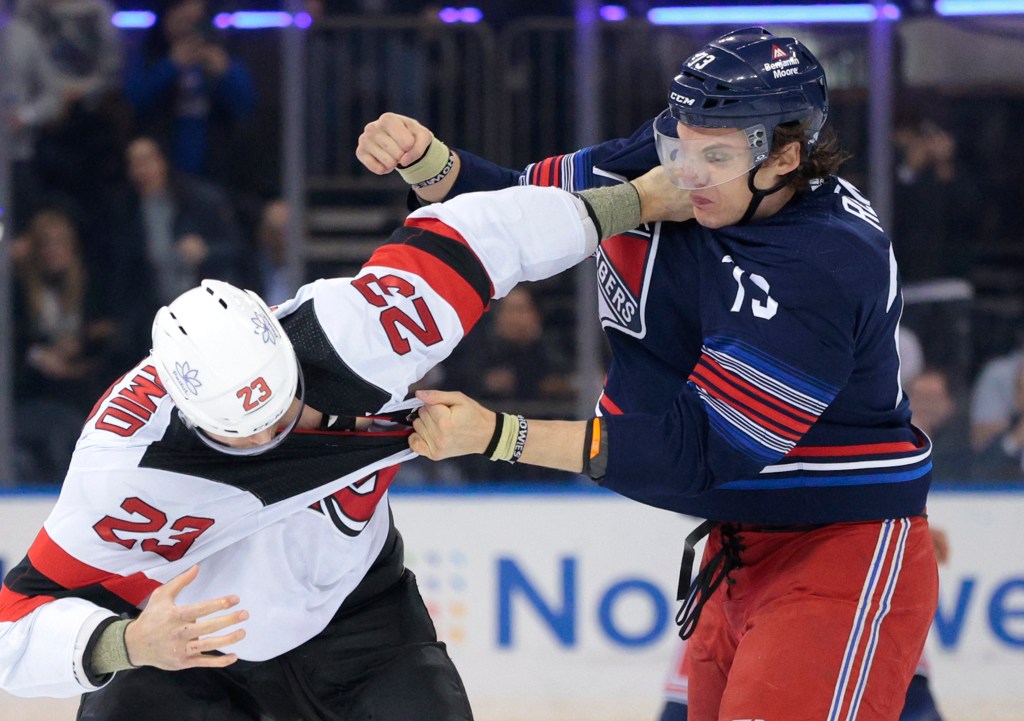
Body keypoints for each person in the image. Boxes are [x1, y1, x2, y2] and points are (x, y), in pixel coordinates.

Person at [359, 27, 938, 721]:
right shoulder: (679, 151)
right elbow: (521, 211)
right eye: (680, 143)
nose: (687, 170)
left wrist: (500, 435)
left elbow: (694, 452)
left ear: (787, 154)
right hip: (737, 547)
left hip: (837, 552)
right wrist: (428, 164)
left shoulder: (822, 262)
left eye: (715, 154)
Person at [0, 176, 685, 718]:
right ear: (190, 414)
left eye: (284, 407)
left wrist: (644, 196)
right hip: (189, 658)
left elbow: (486, 237)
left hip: (364, 628)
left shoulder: (357, 332)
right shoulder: (124, 471)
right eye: (249, 433)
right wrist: (124, 642)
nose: (275, 436)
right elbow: (9, 625)